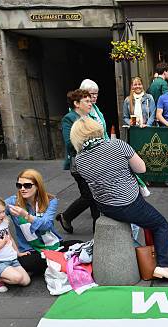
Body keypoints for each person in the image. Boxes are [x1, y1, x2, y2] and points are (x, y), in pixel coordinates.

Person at [71, 117, 168, 281]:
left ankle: (140, 254)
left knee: (147, 221)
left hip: (104, 205)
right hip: (127, 203)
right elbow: (141, 168)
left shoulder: (79, 159)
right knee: (160, 224)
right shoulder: (117, 145)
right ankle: (164, 266)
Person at [5, 169, 76, 276]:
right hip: (31, 250)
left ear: (37, 186)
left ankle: (51, 263)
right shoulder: (13, 202)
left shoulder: (51, 201)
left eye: (27, 186)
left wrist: (26, 215)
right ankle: (60, 262)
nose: (22, 189)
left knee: (79, 245)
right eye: (19, 185)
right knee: (28, 262)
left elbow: (46, 225)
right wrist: (2, 225)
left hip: (53, 245)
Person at [56, 89, 100, 234]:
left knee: (93, 194)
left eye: (90, 100)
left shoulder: (89, 117)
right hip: (79, 164)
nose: (90, 103)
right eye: (86, 101)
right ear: (76, 103)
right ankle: (67, 217)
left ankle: (97, 227)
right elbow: (70, 143)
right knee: (90, 195)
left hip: (92, 161)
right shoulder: (69, 118)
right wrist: (91, 141)